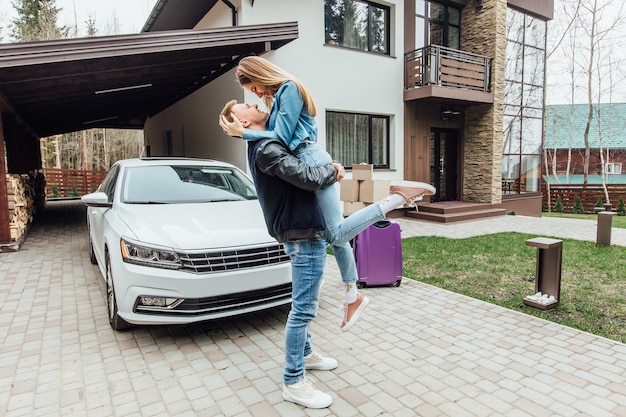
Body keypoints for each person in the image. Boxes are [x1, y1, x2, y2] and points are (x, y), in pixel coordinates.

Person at [219, 57, 436, 330]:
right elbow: (279, 137)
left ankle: (396, 198)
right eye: (252, 96)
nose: (257, 96)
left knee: (336, 233)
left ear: (261, 75)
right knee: (336, 233)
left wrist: (244, 135)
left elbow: (282, 139)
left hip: (310, 158)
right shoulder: (277, 97)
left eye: (254, 89)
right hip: (308, 157)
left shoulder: (289, 89)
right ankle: (351, 294)